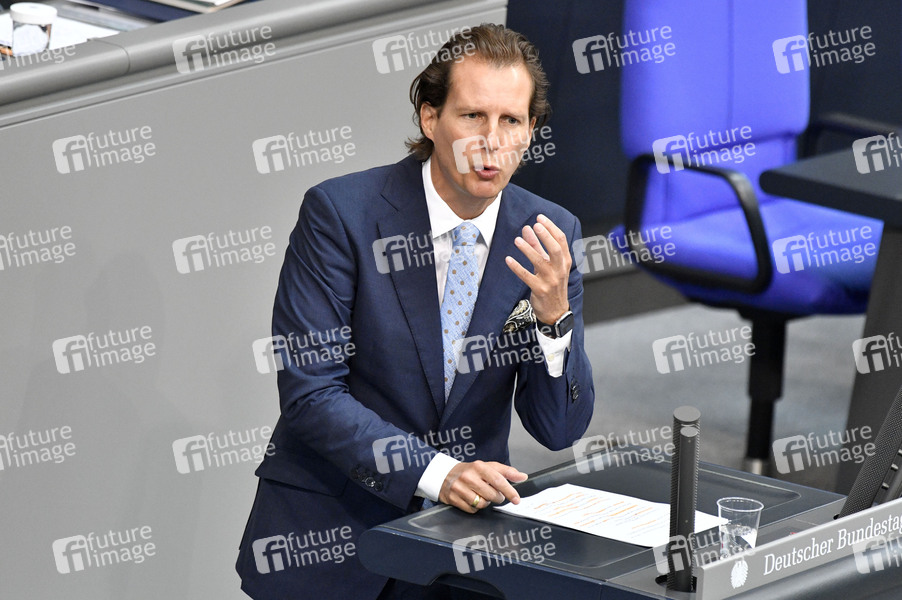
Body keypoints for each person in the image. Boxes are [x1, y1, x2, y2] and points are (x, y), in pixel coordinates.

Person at [236, 23, 595, 600]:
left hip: (461, 556)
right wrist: (438, 473)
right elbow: (310, 394)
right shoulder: (341, 215)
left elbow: (559, 430)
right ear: (430, 118)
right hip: (332, 539)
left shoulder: (548, 234)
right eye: (472, 116)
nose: (492, 141)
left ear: (531, 131)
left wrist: (554, 321)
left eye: (511, 121)